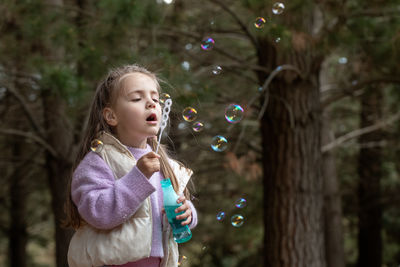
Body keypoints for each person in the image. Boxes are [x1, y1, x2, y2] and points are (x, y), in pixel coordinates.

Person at [64, 64, 197, 267]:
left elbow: (178, 207)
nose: (151, 104)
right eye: (137, 98)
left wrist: (188, 214)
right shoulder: (100, 161)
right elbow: (98, 212)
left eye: (155, 98)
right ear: (111, 116)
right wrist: (138, 177)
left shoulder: (166, 165)